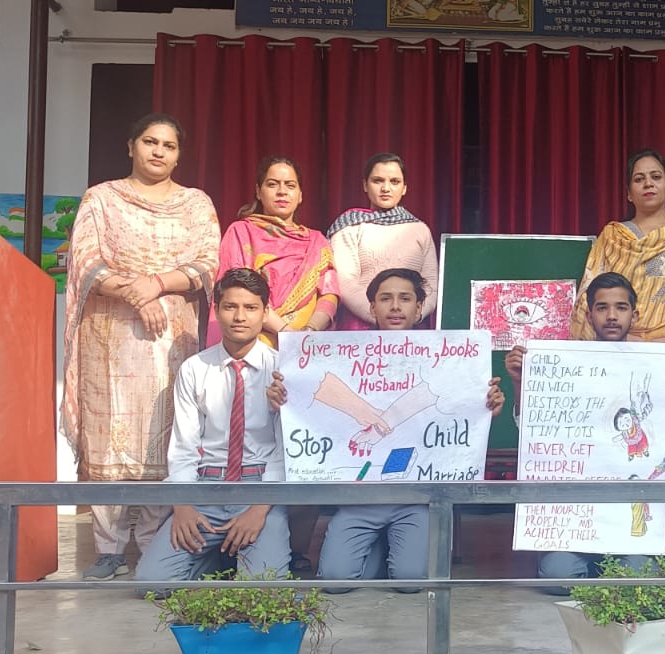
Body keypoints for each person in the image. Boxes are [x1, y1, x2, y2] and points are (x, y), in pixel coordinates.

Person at [62, 112, 220, 580]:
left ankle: (154, 541)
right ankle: (108, 549)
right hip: (109, 336)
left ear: (179, 155)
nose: (158, 152)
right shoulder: (102, 198)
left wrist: (157, 284)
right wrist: (138, 293)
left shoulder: (195, 203)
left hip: (172, 337)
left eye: (169, 146)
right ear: (131, 145)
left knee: (166, 431)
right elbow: (86, 261)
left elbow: (208, 263)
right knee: (107, 433)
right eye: (150, 142)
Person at [506, 272, 665, 587]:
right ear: (589, 316)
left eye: (621, 307)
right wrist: (520, 381)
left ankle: (615, 564)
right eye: (602, 308)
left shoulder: (657, 365)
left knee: (638, 581)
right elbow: (530, 430)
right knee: (558, 579)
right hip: (578, 515)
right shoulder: (564, 364)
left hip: (630, 511)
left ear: (634, 315)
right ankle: (594, 563)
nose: (612, 316)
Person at [314, 269, 505, 590]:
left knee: (410, 581)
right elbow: (313, 394)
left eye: (405, 299)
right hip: (361, 497)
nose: (395, 306)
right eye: (385, 298)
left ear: (419, 309)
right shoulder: (342, 354)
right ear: (371, 307)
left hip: (418, 497)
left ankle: (393, 547)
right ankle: (380, 547)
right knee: (335, 581)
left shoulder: (447, 357)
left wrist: (486, 407)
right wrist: (285, 396)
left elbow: (453, 412)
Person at [134, 268, 292, 584]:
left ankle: (236, 554)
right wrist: (183, 505)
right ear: (217, 311)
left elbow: (285, 452)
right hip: (205, 490)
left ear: (265, 313)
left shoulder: (282, 370)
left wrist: (259, 509)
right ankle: (220, 554)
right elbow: (184, 445)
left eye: (250, 308)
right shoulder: (195, 369)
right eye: (230, 306)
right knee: (152, 583)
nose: (240, 317)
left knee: (261, 587)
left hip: (260, 489)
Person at [567, 150, 665, 344]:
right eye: (639, 179)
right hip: (615, 344)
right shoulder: (612, 236)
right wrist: (625, 339)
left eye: (656, 177)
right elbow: (590, 292)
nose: (648, 184)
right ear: (629, 193)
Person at [214, 156, 338, 345]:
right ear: (258, 191)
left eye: (290, 185)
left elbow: (329, 294)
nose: (282, 191)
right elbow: (237, 289)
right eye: (272, 184)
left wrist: (309, 331)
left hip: (309, 345)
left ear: (300, 195)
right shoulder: (242, 232)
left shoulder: (317, 241)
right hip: (254, 342)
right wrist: (286, 333)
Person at [328, 153, 439, 329]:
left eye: (394, 182)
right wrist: (383, 319)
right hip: (360, 332)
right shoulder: (349, 227)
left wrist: (410, 318)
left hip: (412, 332)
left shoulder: (420, 230)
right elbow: (346, 284)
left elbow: (431, 285)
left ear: (404, 188)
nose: (386, 188)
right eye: (378, 181)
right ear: (365, 185)